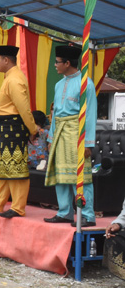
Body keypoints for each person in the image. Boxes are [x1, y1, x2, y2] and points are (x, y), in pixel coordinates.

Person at [0, 45, 38, 218]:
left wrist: (32, 128)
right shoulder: (9, 77)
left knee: (16, 168)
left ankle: (18, 207)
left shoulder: (15, 79)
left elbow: (24, 108)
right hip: (6, 128)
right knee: (4, 166)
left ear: (6, 60)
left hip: (14, 128)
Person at [44, 45, 97, 226]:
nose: (55, 65)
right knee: (61, 176)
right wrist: (51, 138)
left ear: (67, 63)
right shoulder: (59, 85)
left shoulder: (85, 83)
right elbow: (55, 116)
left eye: (57, 62)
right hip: (60, 133)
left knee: (80, 176)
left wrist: (88, 143)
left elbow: (90, 114)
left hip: (77, 134)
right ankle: (64, 212)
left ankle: (87, 216)